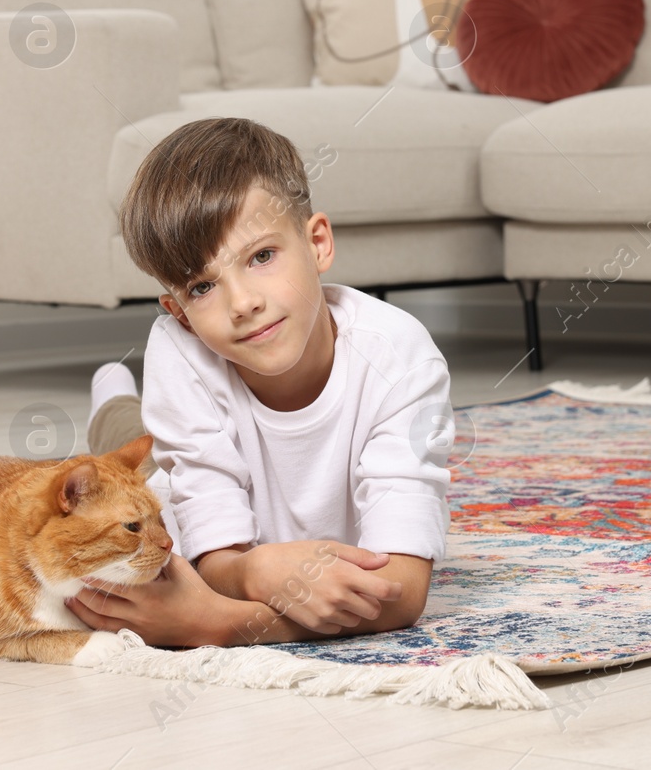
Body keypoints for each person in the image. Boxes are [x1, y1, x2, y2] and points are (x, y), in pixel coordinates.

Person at [66, 117, 453, 648]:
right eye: (203, 287)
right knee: (127, 455)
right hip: (171, 474)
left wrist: (218, 625)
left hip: (208, 461)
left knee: (138, 440)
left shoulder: (401, 359)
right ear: (179, 313)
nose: (243, 303)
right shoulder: (180, 354)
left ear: (317, 243)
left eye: (262, 257)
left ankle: (117, 396)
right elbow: (216, 559)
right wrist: (251, 573)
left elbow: (402, 592)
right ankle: (110, 393)